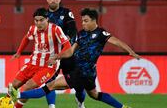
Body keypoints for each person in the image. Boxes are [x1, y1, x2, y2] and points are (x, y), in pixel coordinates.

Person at [9, 8, 140, 108]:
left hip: (80, 72)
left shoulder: (101, 33)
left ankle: (19, 95)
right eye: (82, 21)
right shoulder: (81, 34)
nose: (83, 23)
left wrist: (130, 51)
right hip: (89, 72)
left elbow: (117, 42)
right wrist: (58, 56)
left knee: (50, 86)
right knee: (94, 94)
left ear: (94, 20)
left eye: (86, 21)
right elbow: (70, 51)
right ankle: (122, 107)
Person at [8, 7, 72, 108]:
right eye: (36, 20)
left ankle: (16, 107)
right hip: (33, 63)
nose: (38, 23)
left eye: (41, 20)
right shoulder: (33, 29)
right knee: (13, 85)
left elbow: (67, 46)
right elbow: (26, 38)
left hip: (48, 66)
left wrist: (57, 57)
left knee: (28, 87)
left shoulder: (56, 29)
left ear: (47, 19)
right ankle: (6, 104)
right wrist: (19, 52)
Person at [44, 0, 86, 108]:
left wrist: (65, 39)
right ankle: (51, 106)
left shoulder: (66, 12)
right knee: (49, 81)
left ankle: (80, 103)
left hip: (68, 53)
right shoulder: (43, 15)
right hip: (52, 54)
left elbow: (73, 31)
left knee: (78, 83)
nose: (53, 0)